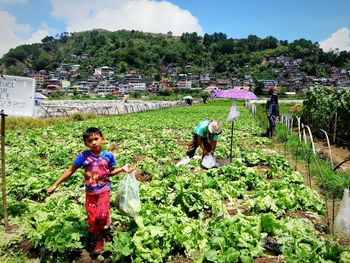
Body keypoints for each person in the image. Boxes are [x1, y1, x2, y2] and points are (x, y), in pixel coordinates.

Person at [46, 127, 133, 253]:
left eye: (96, 139)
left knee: (101, 215)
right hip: (90, 192)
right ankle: (98, 232)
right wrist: (55, 184)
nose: (94, 143)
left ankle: (100, 238)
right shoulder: (83, 156)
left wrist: (122, 169)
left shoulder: (108, 156)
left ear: (102, 139)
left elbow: (110, 172)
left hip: (104, 190)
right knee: (92, 220)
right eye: (89, 140)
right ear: (85, 143)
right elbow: (70, 171)